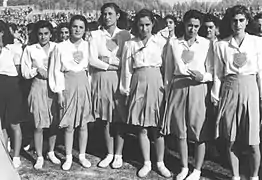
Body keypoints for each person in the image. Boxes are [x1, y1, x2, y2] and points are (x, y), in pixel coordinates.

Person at [49, 15, 109, 171]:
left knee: (83, 124)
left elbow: (92, 63)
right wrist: (60, 92)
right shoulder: (60, 47)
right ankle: (68, 156)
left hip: (83, 84)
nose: (77, 30)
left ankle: (81, 155)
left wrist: (111, 66)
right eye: (75, 26)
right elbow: (56, 71)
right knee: (69, 125)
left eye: (81, 27)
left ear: (85, 30)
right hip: (68, 84)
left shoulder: (87, 45)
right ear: (70, 27)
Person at [162, 10, 213, 180]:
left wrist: (204, 77)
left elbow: (214, 71)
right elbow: (168, 70)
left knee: (199, 130)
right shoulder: (174, 43)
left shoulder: (207, 44)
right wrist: (167, 92)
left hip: (198, 87)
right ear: (183, 24)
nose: (193, 29)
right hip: (178, 87)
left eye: (196, 26)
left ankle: (197, 170)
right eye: (190, 25)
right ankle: (184, 167)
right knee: (180, 129)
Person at [212, 5, 261, 180]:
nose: (238, 24)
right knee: (230, 138)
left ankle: (254, 176)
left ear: (247, 21)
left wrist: (261, 96)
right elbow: (218, 73)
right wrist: (216, 95)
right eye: (234, 20)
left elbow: (260, 72)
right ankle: (235, 175)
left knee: (253, 141)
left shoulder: (257, 42)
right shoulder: (221, 45)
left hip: (251, 90)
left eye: (241, 20)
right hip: (230, 90)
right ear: (230, 22)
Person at [120, 9, 171, 178]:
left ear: (153, 24)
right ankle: (146, 162)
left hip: (156, 83)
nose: (144, 28)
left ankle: (160, 162)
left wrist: (166, 87)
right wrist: (125, 89)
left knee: (157, 126)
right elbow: (126, 70)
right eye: (141, 25)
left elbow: (167, 68)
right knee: (141, 127)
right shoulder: (130, 44)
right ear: (136, 25)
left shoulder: (161, 42)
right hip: (138, 82)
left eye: (147, 25)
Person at [89, 2, 131, 169]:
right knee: (105, 118)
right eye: (104, 14)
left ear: (117, 16)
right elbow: (92, 60)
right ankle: (109, 153)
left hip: (120, 79)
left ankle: (119, 154)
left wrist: (109, 60)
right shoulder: (95, 35)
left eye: (110, 14)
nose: (107, 17)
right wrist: (109, 65)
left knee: (119, 118)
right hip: (102, 79)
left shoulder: (125, 35)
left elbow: (126, 60)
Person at [21, 20, 61, 169]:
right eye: (40, 34)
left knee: (54, 122)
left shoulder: (57, 47)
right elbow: (25, 73)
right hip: (37, 86)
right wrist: (36, 70)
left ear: (51, 34)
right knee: (39, 124)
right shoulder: (30, 49)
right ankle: (39, 156)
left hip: (54, 88)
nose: (43, 37)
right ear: (36, 34)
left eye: (46, 34)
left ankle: (51, 151)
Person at [0, 20, 24, 168]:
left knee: (14, 123)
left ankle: (16, 155)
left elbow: (19, 71)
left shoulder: (13, 48)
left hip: (11, 85)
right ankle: (4, 152)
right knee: (1, 123)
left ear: (1, 32)